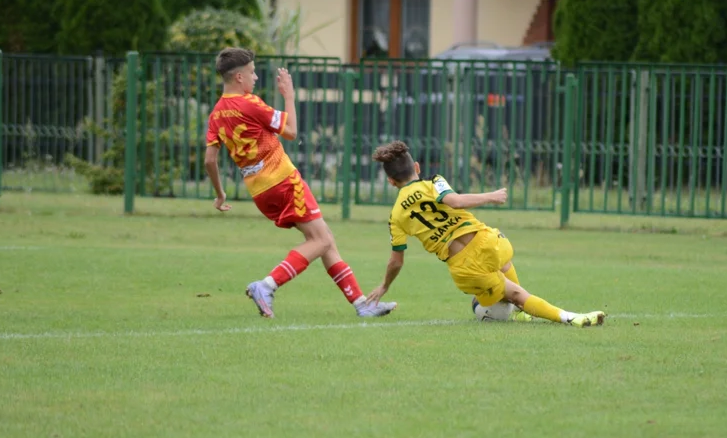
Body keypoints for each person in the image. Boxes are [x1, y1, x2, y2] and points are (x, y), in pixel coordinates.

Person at [203, 47, 396, 319]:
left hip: (259, 191)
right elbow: (291, 131)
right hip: (282, 181)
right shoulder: (249, 103)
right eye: (251, 72)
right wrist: (289, 96)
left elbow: (210, 160)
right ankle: (267, 285)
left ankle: (361, 303)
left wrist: (220, 194)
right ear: (238, 78)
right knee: (320, 239)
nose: (255, 77)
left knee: (325, 239)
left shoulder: (217, 114)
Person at [365, 141, 606, 328]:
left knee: (514, 295)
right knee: (505, 265)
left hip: (463, 267)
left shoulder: (395, 215)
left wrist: (385, 286)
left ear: (390, 181)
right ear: (416, 167)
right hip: (489, 242)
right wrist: (491, 195)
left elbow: (396, 260)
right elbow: (456, 201)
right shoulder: (433, 182)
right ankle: (553, 315)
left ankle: (562, 316)